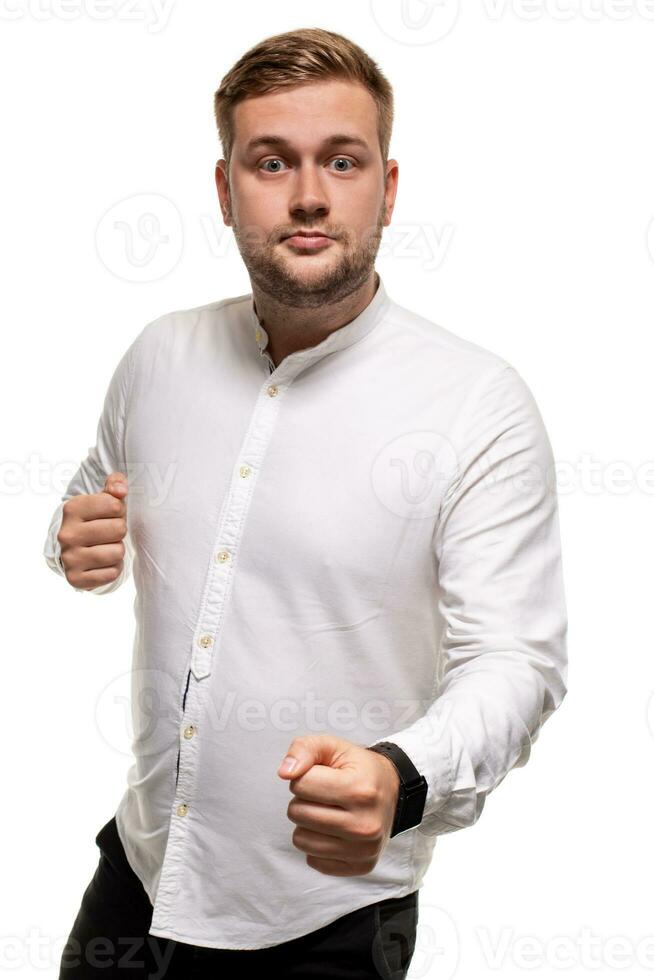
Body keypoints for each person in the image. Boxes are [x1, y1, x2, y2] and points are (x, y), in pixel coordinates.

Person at [44, 26, 568, 979]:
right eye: (272, 161)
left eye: (343, 160)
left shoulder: (477, 402)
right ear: (224, 187)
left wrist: (404, 777)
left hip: (323, 922)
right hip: (141, 871)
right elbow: (90, 502)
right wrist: (73, 542)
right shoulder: (157, 356)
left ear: (389, 186)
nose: (310, 193)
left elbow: (517, 660)